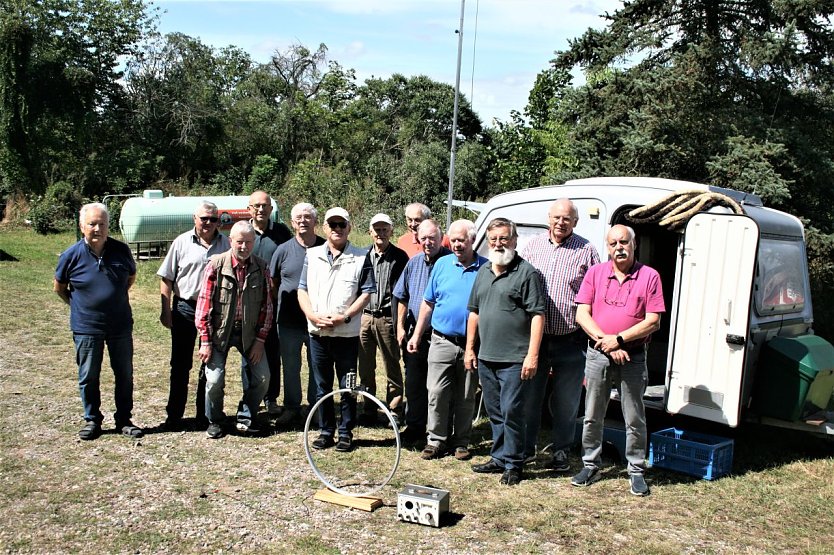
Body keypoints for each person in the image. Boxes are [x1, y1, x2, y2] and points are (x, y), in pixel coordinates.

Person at [572, 224, 665, 496]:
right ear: (607, 247)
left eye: (623, 242)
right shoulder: (595, 273)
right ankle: (590, 464)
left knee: (634, 416)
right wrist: (608, 343)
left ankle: (635, 469)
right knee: (592, 413)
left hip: (633, 356)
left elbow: (654, 322)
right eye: (613, 243)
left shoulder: (649, 276)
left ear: (634, 244)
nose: (618, 248)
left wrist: (620, 339)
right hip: (598, 353)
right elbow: (582, 315)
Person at [521, 198, 601, 470]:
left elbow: (596, 294)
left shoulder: (587, 250)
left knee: (566, 402)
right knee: (531, 396)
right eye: (556, 217)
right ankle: (527, 448)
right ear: (548, 218)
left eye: (567, 218)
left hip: (571, 339)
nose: (560, 222)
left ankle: (561, 452)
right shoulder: (532, 247)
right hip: (538, 340)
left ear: (575, 222)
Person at [466, 218, 545, 486]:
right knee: (495, 410)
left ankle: (514, 464)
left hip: (514, 359)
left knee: (512, 411)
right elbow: (474, 313)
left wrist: (532, 355)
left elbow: (537, 316)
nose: (499, 244)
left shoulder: (527, 273)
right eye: (493, 240)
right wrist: (470, 349)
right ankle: (499, 457)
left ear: (514, 240)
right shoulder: (484, 271)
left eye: (503, 238)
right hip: (487, 356)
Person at [54, 203, 142, 440]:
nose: (97, 228)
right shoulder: (71, 255)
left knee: (124, 374)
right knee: (89, 375)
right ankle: (92, 420)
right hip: (86, 327)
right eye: (92, 224)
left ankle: (124, 419)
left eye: (102, 224)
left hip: (120, 326)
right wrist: (80, 307)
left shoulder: (121, 251)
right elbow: (59, 288)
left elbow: (130, 278)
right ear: (82, 226)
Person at [298, 207, 376, 452]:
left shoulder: (361, 257)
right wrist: (311, 315)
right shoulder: (311, 255)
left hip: (346, 334)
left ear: (349, 227)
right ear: (324, 228)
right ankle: (325, 431)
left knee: (348, 386)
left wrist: (345, 317)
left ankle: (346, 432)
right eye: (332, 225)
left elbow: (366, 293)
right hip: (318, 333)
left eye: (341, 224)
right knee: (321, 386)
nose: (337, 229)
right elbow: (302, 290)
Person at [407, 219, 486, 461]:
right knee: (437, 391)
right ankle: (436, 440)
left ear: (472, 240)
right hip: (441, 341)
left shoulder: (486, 269)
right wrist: (417, 334)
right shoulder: (441, 264)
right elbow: (428, 303)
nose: (457, 245)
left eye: (461, 240)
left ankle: (461, 441)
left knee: (465, 395)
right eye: (453, 241)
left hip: (471, 344)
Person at [195, 221, 273, 439]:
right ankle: (216, 420)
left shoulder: (261, 267)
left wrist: (260, 340)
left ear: (254, 243)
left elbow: (267, 307)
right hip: (219, 333)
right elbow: (204, 304)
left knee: (263, 377)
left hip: (249, 334)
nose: (244, 247)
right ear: (231, 241)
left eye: (249, 242)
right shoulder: (215, 265)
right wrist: (205, 340)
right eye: (239, 242)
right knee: (214, 380)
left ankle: (246, 415)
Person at [157, 201, 230, 431]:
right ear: (194, 219)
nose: (208, 223)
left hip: (215, 312)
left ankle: (205, 415)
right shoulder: (181, 242)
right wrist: (165, 309)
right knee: (180, 364)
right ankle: (174, 415)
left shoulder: (226, 244)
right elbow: (167, 278)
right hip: (185, 309)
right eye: (204, 218)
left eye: (213, 219)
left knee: (208, 365)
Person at [393, 219, 452, 444]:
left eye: (432, 238)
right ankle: (415, 426)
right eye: (424, 238)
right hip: (414, 335)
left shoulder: (450, 262)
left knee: (439, 387)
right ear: (418, 239)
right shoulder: (414, 262)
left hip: (441, 335)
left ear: (441, 237)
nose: (428, 242)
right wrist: (399, 327)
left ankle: (440, 429)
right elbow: (403, 297)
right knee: (415, 383)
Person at [269, 202, 325, 427]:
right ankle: (292, 407)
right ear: (292, 223)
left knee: (317, 366)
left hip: (318, 321)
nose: (303, 221)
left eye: (307, 217)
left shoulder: (324, 247)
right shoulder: (282, 250)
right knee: (290, 366)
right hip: (289, 321)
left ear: (315, 221)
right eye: (298, 218)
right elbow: (273, 283)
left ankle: (315, 407)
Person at [357, 213, 409, 425]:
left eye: (384, 229)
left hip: (388, 318)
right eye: (377, 229)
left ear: (391, 231)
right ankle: (369, 408)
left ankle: (395, 408)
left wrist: (401, 323)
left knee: (392, 365)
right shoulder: (362, 256)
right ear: (370, 232)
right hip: (365, 317)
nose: (380, 233)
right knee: (365, 366)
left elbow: (404, 291)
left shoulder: (400, 256)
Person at [246, 190, 291, 416]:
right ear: (249, 209)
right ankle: (249, 399)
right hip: (247, 305)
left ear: (271, 210)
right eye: (256, 206)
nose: (261, 209)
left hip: (274, 304)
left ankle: (271, 398)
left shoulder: (282, 232)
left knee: (273, 352)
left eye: (265, 206)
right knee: (248, 353)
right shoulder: (243, 233)